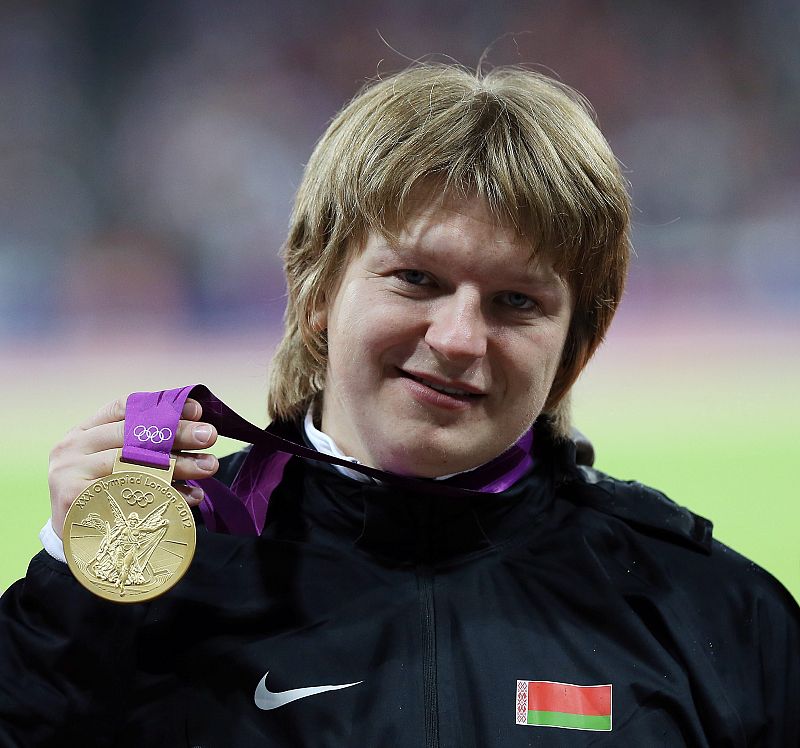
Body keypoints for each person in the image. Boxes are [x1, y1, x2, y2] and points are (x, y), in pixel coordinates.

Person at [1, 63, 798, 746]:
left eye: (517, 302)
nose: (458, 338)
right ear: (317, 290)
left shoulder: (713, 613)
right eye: (417, 279)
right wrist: (73, 583)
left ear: (575, 346)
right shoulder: (155, 579)